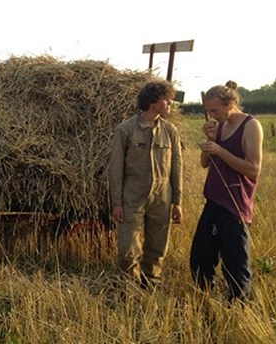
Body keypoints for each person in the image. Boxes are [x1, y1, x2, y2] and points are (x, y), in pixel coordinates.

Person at [190, 80, 263, 302]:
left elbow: (253, 170)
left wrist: (220, 150)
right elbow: (205, 163)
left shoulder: (251, 126)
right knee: (200, 258)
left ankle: (239, 308)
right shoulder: (218, 127)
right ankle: (205, 302)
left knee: (235, 263)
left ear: (230, 103)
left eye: (215, 110)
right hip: (213, 200)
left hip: (235, 204)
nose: (211, 115)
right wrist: (210, 140)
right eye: (208, 111)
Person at [109, 78, 183, 289]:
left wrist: (177, 201)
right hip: (132, 197)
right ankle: (129, 291)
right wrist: (117, 203)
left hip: (162, 198)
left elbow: (176, 167)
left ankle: (151, 287)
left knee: (157, 249)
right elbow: (115, 169)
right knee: (128, 250)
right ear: (152, 101)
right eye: (167, 100)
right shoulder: (125, 130)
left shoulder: (170, 131)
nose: (170, 104)